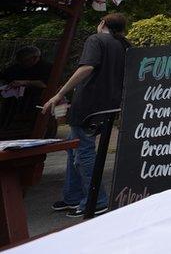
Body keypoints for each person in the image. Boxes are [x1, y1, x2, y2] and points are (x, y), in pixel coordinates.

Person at [42, 14, 130, 218]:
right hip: (108, 105)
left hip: (89, 106)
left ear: (103, 24)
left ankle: (96, 200)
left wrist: (60, 93)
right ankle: (72, 196)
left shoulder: (96, 40)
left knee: (83, 153)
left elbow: (87, 67)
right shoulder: (123, 45)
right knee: (74, 149)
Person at [0, 46, 50, 128]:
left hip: (33, 100)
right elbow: (5, 75)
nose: (22, 63)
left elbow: (45, 83)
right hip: (13, 99)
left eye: (25, 61)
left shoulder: (46, 67)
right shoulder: (18, 67)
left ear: (34, 58)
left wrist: (24, 82)